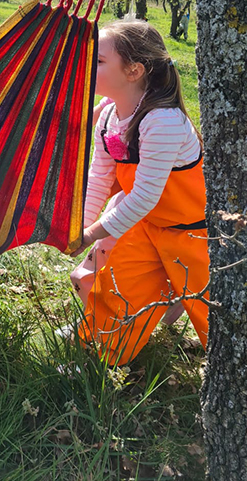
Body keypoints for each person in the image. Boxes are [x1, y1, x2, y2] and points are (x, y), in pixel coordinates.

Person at [72, 18, 209, 364]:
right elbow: (99, 178)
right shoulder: (108, 116)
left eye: (99, 60)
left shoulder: (161, 121)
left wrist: (89, 234)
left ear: (133, 71)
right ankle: (96, 358)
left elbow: (144, 196)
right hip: (147, 226)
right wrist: (78, 230)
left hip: (191, 235)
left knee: (213, 315)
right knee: (119, 290)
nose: (88, 64)